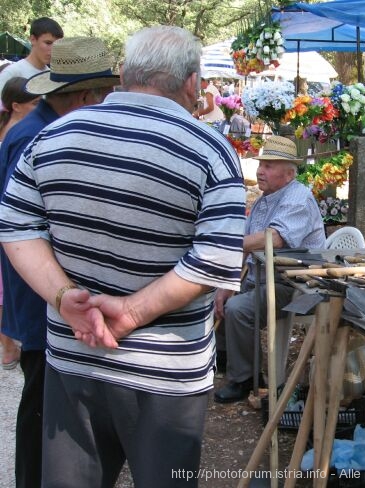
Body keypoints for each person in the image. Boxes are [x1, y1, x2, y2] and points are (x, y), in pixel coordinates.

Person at [0, 25, 245, 488]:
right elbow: (212, 261)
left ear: (125, 74)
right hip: (166, 376)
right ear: (192, 82)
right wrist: (130, 312)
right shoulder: (211, 151)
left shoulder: (51, 137)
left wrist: (64, 296)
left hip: (75, 357)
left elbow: (16, 227)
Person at [0, 37, 120, 488]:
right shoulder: (37, 138)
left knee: (46, 399)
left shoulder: (42, 129)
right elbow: (18, 225)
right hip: (39, 289)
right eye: (105, 94)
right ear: (87, 96)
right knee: (39, 405)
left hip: (45, 286)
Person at [214, 135, 326, 403]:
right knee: (213, 291)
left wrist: (230, 245)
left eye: (269, 166)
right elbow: (247, 245)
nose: (260, 171)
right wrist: (226, 283)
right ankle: (227, 357)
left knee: (239, 309)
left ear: (288, 174)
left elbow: (273, 239)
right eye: (261, 164)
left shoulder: (298, 196)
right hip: (260, 277)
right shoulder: (266, 198)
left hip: (294, 284)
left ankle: (245, 379)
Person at [0, 77, 40, 371]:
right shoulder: (28, 134)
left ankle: (10, 343)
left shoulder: (19, 131)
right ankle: (10, 344)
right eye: (35, 103)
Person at [0, 17, 63, 96]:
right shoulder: (13, 72)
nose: (53, 49)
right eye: (48, 43)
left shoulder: (51, 76)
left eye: (57, 45)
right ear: (33, 39)